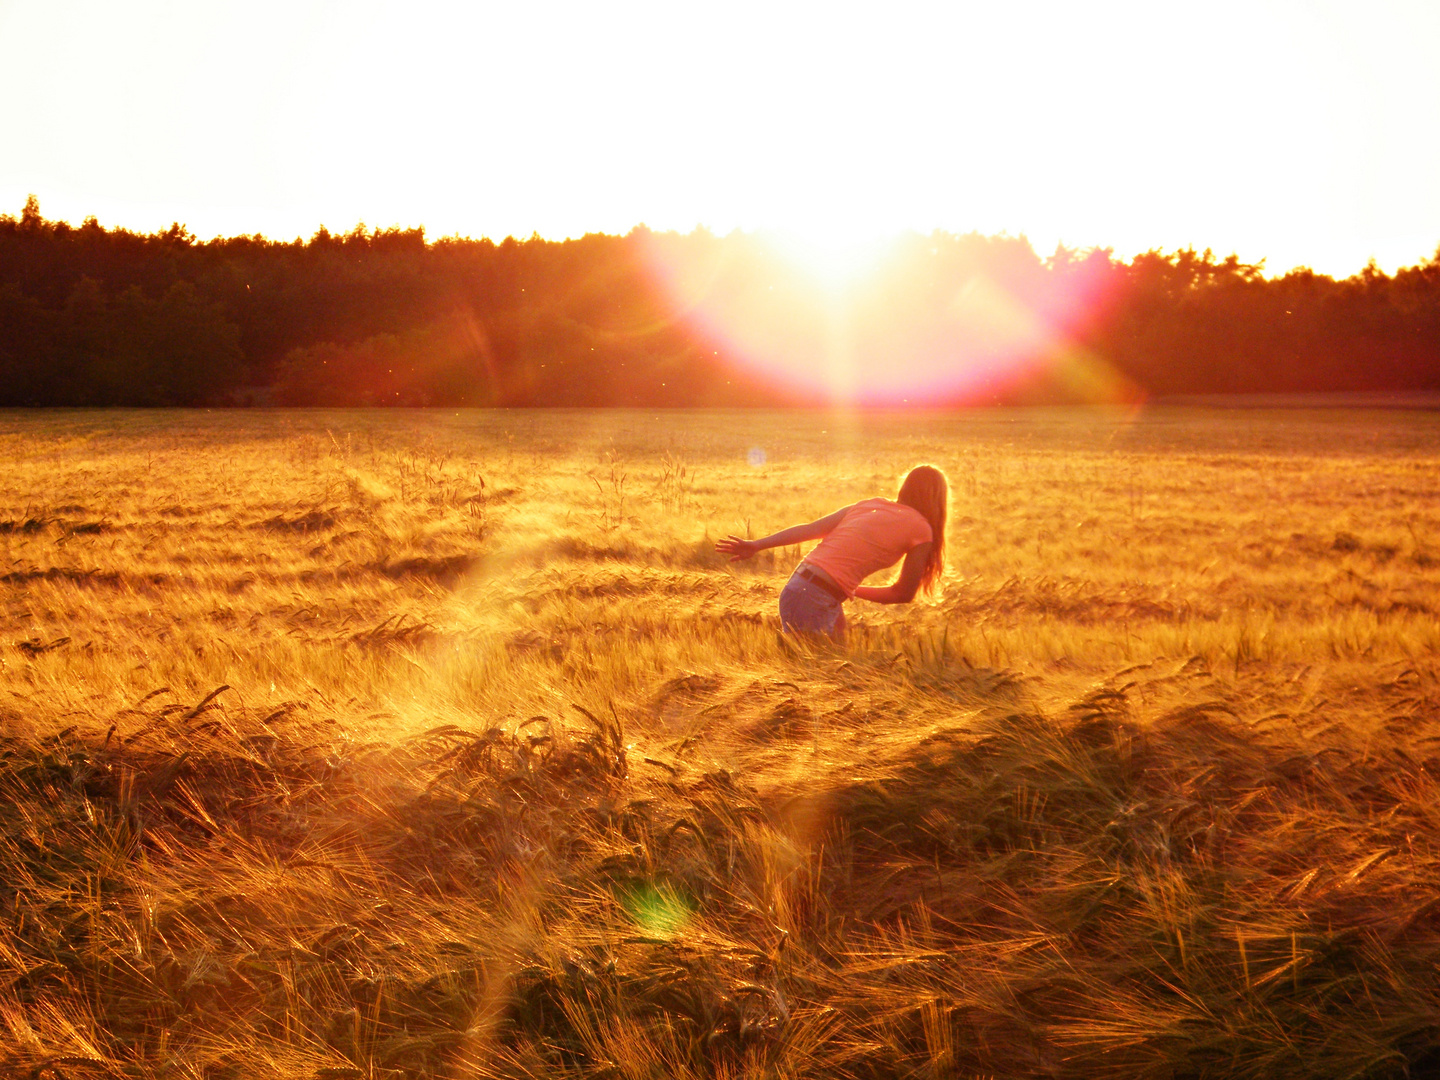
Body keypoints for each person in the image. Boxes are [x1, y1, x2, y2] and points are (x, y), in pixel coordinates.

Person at [715, 465, 948, 637]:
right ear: (938, 499)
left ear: (905, 488)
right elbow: (903, 594)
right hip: (815, 596)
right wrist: (851, 590)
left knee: (834, 666)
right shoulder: (922, 529)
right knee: (815, 679)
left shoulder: (869, 505)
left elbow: (810, 529)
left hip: (801, 587)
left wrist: (758, 544)